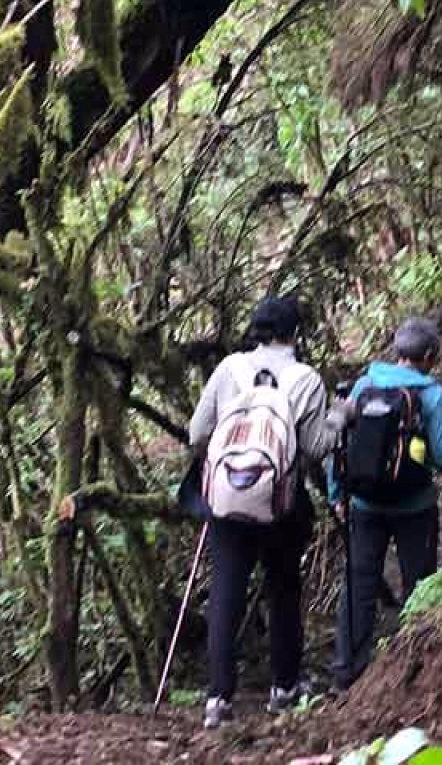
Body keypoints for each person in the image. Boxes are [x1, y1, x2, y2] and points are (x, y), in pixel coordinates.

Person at [187, 294, 335, 729]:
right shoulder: (306, 379)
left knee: (226, 590)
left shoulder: (228, 368)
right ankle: (284, 687)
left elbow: (196, 433)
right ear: (295, 333)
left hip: (227, 502)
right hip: (282, 502)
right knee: (283, 588)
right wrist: (339, 420)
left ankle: (218, 698)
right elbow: (316, 447)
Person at [329, 316, 442, 691]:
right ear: (429, 356)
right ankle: (418, 664)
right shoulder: (432, 395)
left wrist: (336, 493)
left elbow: (340, 443)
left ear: (397, 351)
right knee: (420, 583)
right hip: (415, 506)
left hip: (364, 503)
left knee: (359, 584)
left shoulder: (365, 385)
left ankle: (347, 671)